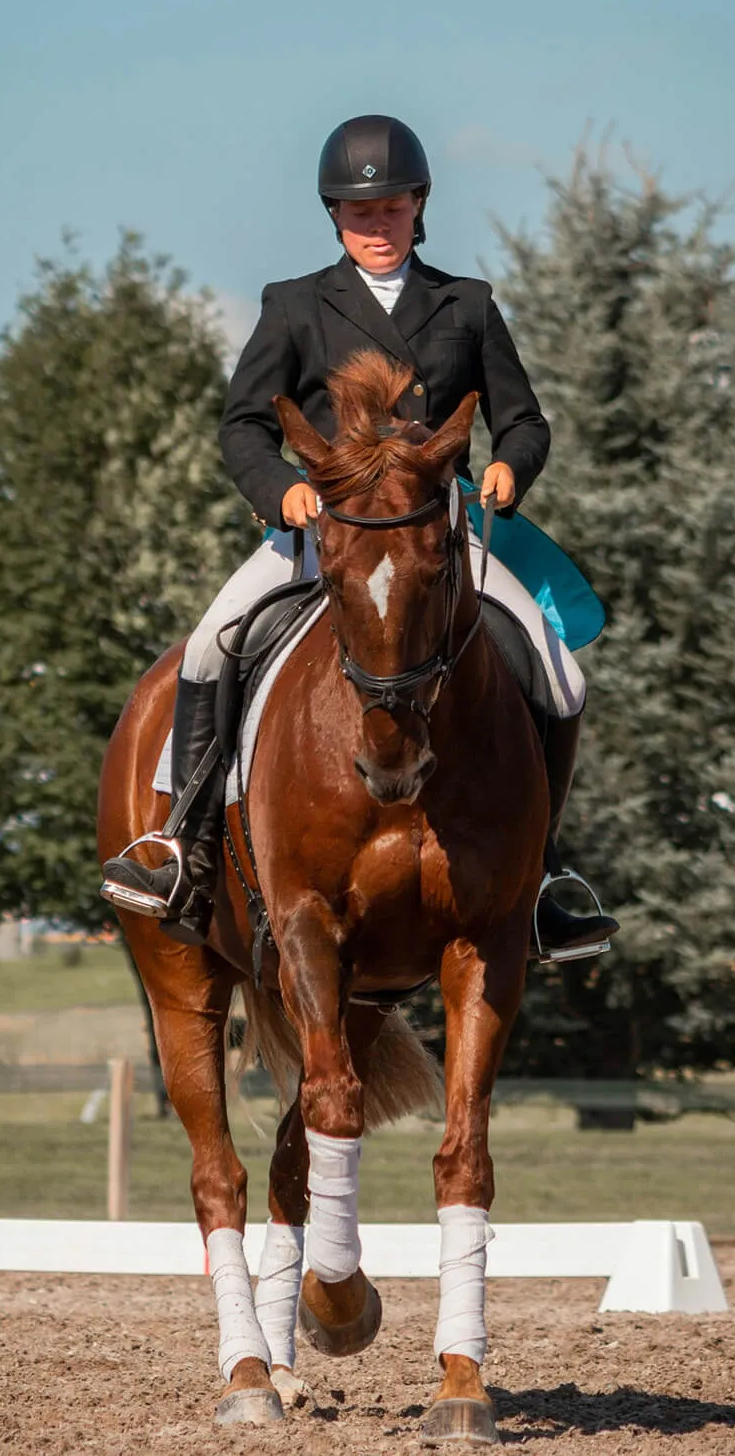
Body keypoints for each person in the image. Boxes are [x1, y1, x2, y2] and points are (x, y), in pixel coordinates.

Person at [101, 114, 618, 958]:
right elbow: (242, 426)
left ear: (419, 206)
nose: (375, 227)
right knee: (206, 650)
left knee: (561, 676)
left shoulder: (467, 304)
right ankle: (182, 853)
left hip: (438, 538)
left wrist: (509, 471)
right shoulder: (296, 305)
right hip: (324, 533)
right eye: (357, 212)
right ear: (334, 216)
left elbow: (523, 419)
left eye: (390, 210)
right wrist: (283, 493)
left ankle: (541, 878)